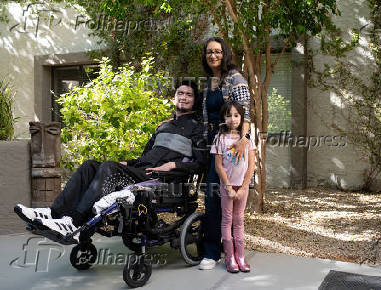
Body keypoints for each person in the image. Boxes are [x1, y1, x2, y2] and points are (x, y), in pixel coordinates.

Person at [15, 80, 206, 243]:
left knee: (108, 168)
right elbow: (145, 156)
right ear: (174, 97)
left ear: (194, 100)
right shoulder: (163, 127)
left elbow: (201, 163)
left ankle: (73, 221)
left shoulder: (196, 129)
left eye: (189, 94)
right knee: (90, 165)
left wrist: (174, 165)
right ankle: (54, 213)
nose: (183, 97)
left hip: (160, 178)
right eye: (180, 93)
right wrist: (128, 163)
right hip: (140, 170)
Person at [199, 37, 252, 270]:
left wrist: (244, 140)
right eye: (209, 52)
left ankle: (223, 253)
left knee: (225, 198)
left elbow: (246, 115)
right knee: (211, 198)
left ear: (225, 53)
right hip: (211, 145)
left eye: (218, 51)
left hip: (230, 145)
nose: (213, 55)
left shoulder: (235, 78)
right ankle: (216, 250)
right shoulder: (208, 81)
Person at [210, 101, 255, 273]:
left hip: (241, 187)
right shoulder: (220, 138)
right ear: (223, 117)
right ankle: (229, 258)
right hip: (227, 187)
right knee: (227, 219)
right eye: (228, 115)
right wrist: (228, 187)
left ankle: (240, 256)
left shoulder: (247, 140)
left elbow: (251, 166)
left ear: (241, 117)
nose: (232, 119)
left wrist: (244, 187)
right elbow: (218, 166)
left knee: (239, 220)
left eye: (236, 115)